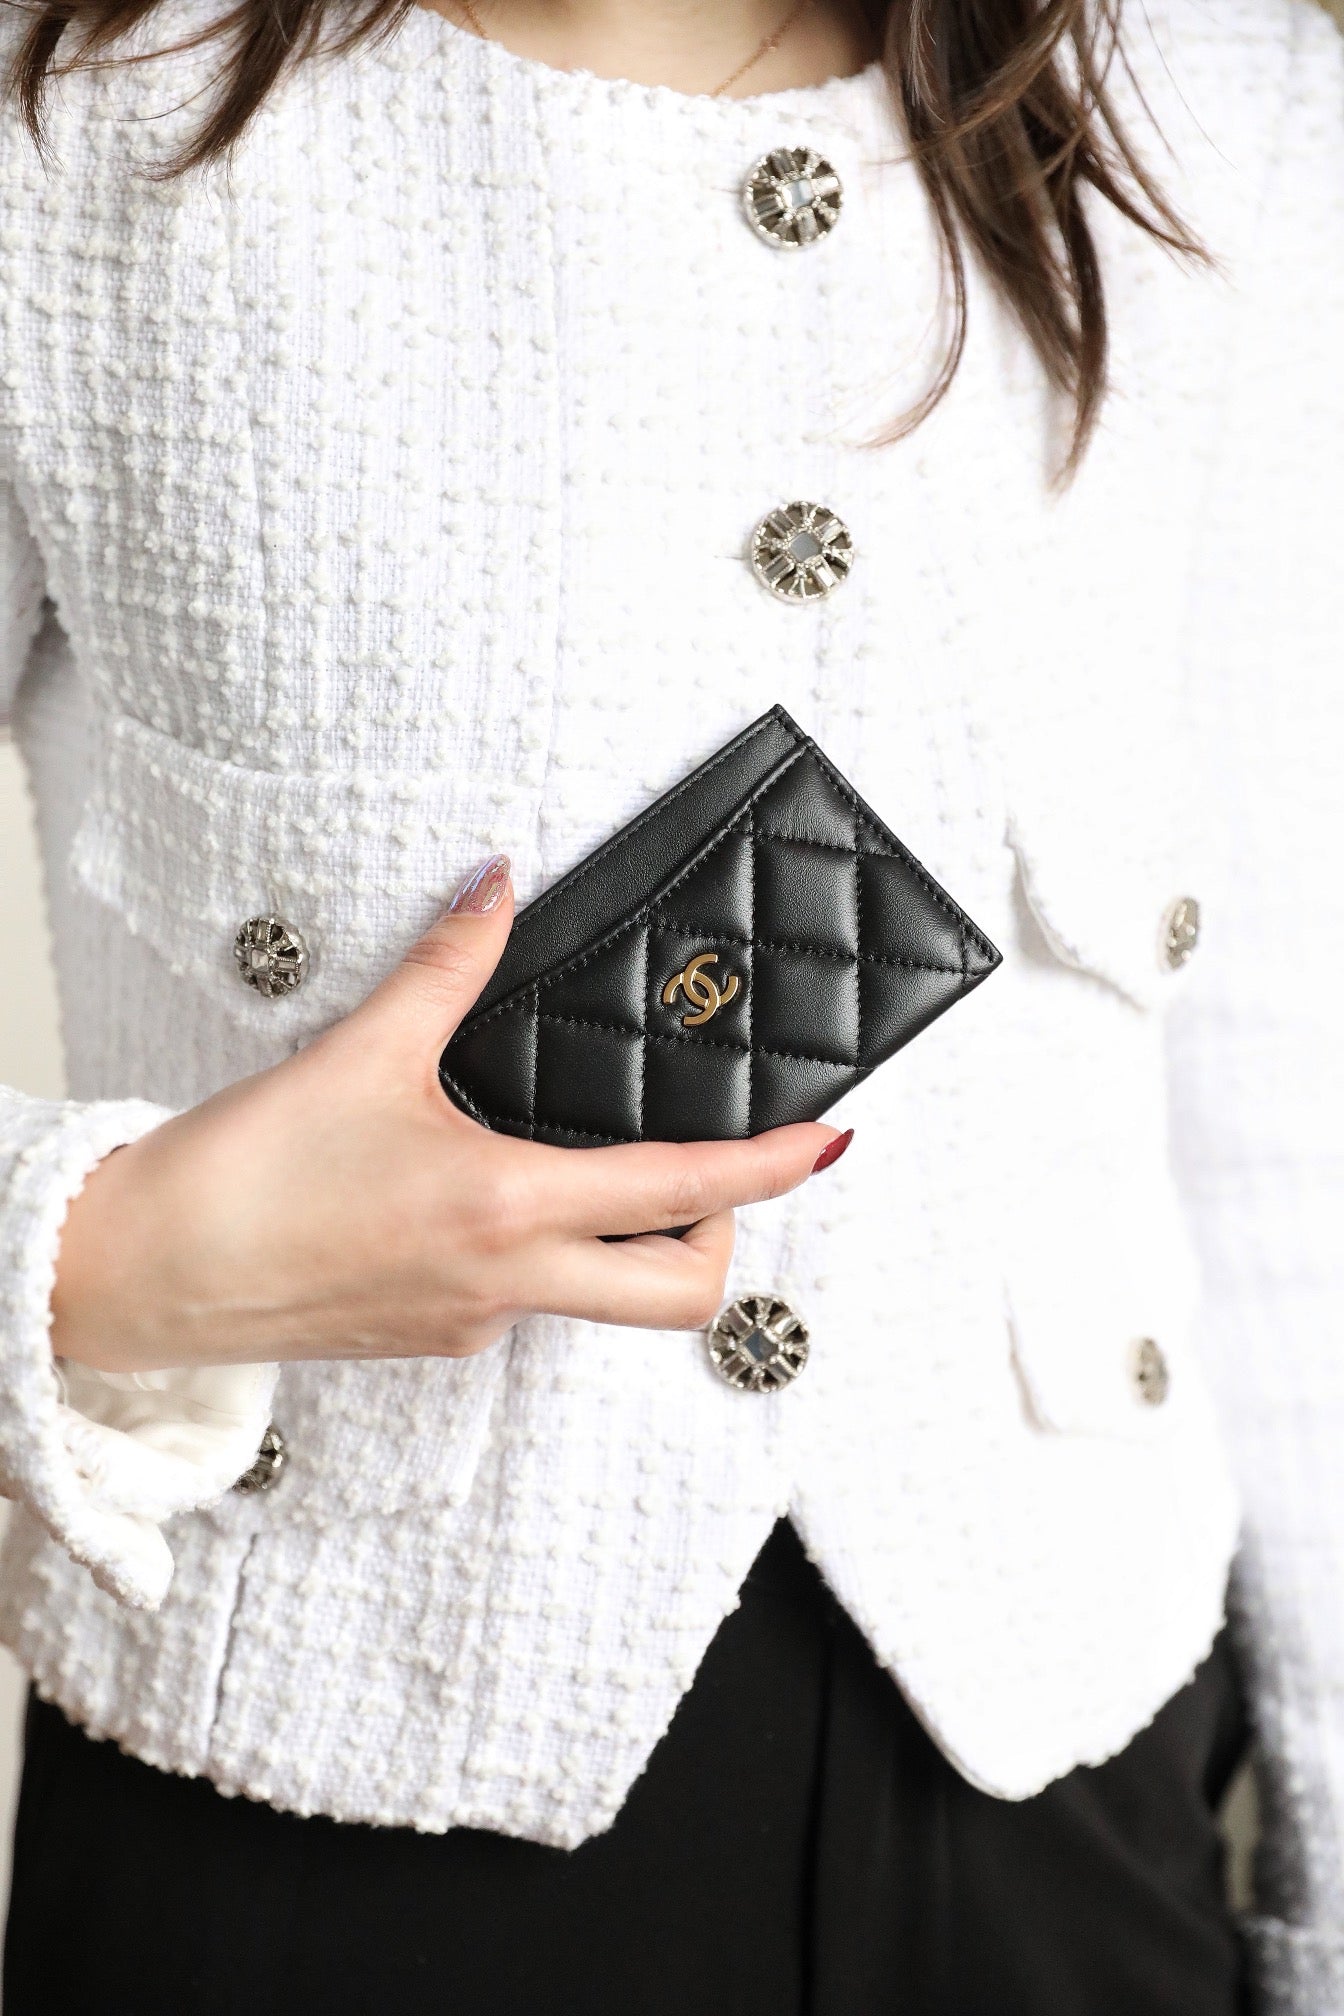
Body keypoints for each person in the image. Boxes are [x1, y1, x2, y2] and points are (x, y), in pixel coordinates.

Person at [0, 0, 1339, 2006]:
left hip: (1074, 1781)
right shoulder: (71, 110)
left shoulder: (1224, 94)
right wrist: (108, 1255)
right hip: (311, 1788)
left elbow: (1287, 1087)